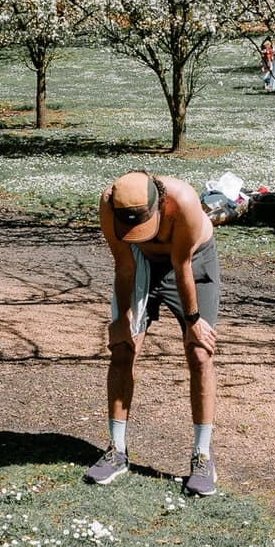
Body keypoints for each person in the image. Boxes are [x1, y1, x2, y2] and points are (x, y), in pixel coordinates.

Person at [88, 170, 220, 497]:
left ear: (160, 204)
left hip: (191, 260)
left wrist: (193, 322)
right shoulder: (109, 205)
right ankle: (117, 451)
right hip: (139, 261)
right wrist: (123, 321)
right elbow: (124, 266)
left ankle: (202, 456)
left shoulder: (184, 201)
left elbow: (182, 265)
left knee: (199, 352)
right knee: (122, 348)